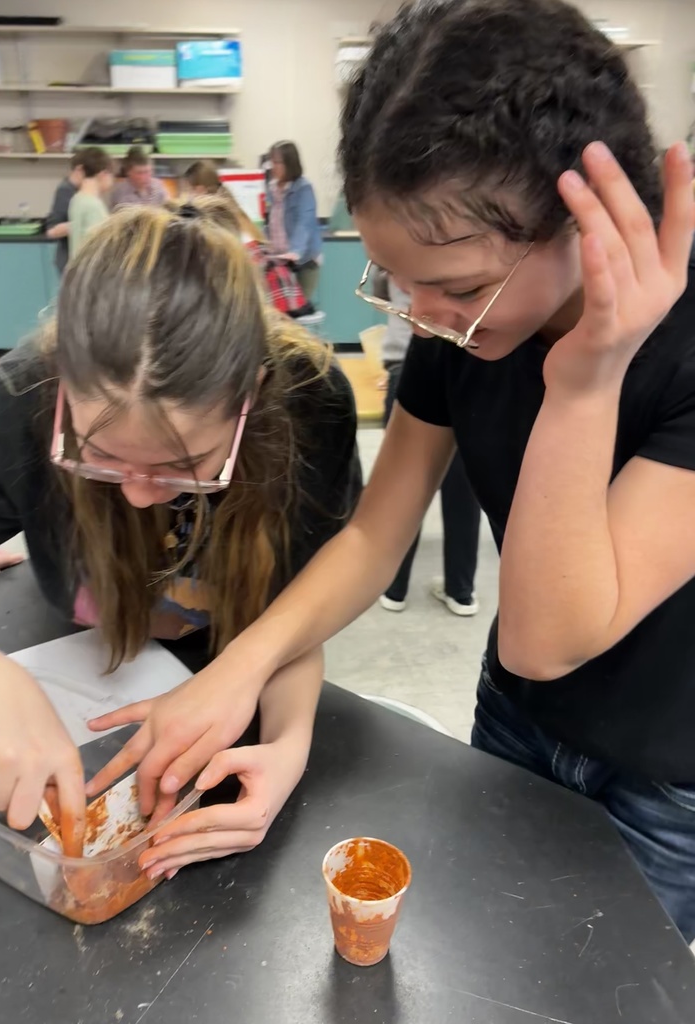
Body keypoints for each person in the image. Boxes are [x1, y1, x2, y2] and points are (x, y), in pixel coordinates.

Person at [118, 0, 695, 941]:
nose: (424, 316)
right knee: (490, 950)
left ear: (591, 225)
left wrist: (586, 380)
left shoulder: (675, 348)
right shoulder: (455, 321)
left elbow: (549, 635)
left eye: (460, 288)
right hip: (517, 721)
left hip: (668, 772)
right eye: (400, 282)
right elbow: (376, 533)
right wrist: (241, 669)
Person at [0, 202, 360, 869]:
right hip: (83, 660)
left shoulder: (310, 403)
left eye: (183, 468)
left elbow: (298, 613)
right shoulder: (8, 405)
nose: (135, 492)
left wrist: (289, 742)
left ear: (254, 398)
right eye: (99, 456)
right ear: (61, 389)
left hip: (246, 668)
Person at [374, 270, 481, 615]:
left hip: (407, 364)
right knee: (463, 491)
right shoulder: (470, 250)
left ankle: (394, 587)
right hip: (470, 365)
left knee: (406, 488)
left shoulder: (395, 250)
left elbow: (382, 289)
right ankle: (460, 590)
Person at [183, 161, 315, 318]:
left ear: (200, 189)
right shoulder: (233, 207)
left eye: (190, 189)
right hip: (281, 288)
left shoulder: (213, 215)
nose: (188, 195)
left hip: (266, 290)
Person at [266, 141, 322, 300]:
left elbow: (304, 222)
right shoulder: (271, 188)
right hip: (279, 263)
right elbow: (270, 220)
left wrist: (295, 251)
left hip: (303, 263)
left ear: (290, 163)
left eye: (278, 162)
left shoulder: (303, 188)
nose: (273, 166)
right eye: (272, 162)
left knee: (299, 310)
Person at [67, 146, 114, 259]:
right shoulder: (93, 205)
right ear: (104, 173)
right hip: (91, 273)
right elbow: (99, 250)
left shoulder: (77, 199)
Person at [44, 151, 85, 276]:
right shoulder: (65, 190)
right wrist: (85, 224)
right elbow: (52, 229)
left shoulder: (77, 191)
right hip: (68, 260)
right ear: (80, 169)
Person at [110, 146, 169, 211]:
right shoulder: (120, 193)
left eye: (147, 172)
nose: (144, 177)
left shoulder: (158, 187)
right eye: (139, 173)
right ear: (128, 172)